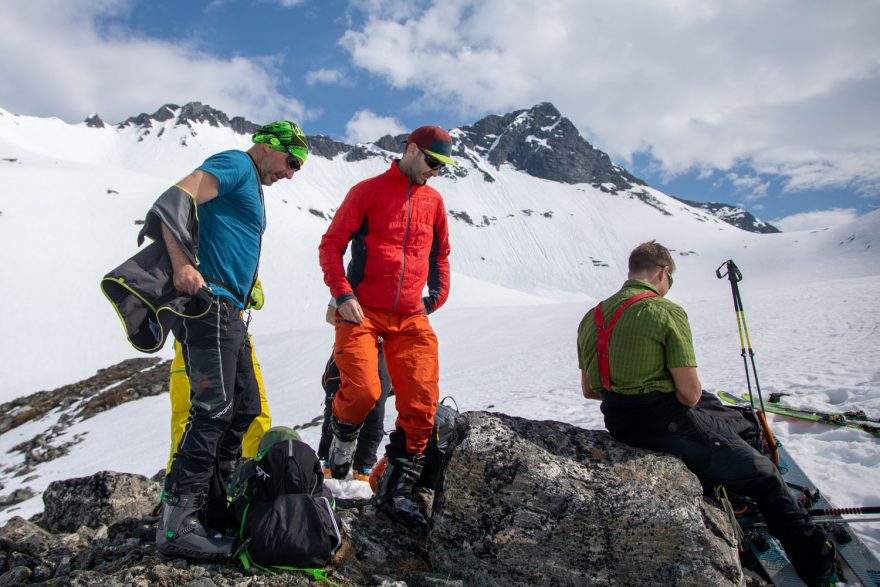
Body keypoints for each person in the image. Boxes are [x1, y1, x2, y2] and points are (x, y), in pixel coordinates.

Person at [576, 240, 834, 585]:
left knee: (714, 407)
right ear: (663, 272)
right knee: (765, 475)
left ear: (631, 272)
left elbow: (591, 390)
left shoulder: (592, 318)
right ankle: (818, 567)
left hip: (620, 422)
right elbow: (689, 392)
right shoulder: (665, 311)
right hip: (666, 426)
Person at [154, 121, 309, 560]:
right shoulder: (236, 164)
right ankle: (177, 524)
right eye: (291, 161)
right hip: (209, 306)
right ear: (267, 145)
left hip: (230, 312)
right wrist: (184, 264)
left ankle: (215, 510)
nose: (292, 173)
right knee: (212, 410)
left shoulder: (248, 181)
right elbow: (173, 200)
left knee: (244, 410)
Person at [318, 125, 454, 533]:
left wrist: (435, 297)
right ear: (412, 150)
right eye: (432, 162)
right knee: (362, 391)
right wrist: (342, 293)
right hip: (362, 311)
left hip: (410, 317)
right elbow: (331, 245)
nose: (436, 172)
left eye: (443, 166)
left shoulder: (435, 201)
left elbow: (441, 254)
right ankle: (341, 445)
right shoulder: (368, 191)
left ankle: (394, 489)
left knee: (421, 404)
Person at [317, 301, 392, 482]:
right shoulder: (354, 280)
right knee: (337, 402)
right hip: (351, 346)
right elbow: (331, 313)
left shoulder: (395, 286)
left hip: (379, 351)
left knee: (376, 408)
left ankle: (363, 466)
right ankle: (330, 460)